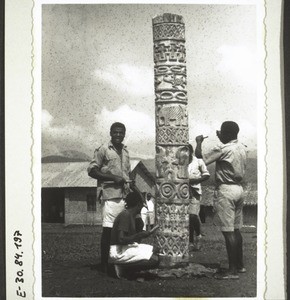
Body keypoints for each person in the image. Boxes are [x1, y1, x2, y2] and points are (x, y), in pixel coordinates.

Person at [195, 121, 247, 280]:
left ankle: (232, 271)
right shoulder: (242, 148)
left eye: (221, 132)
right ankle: (239, 265)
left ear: (227, 134)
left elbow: (200, 158)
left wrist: (199, 143)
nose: (219, 134)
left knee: (228, 231)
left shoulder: (223, 149)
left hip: (226, 190)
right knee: (236, 229)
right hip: (239, 189)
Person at [87, 122, 140, 274]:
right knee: (109, 231)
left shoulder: (126, 151)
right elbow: (92, 171)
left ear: (124, 134)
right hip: (110, 196)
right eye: (115, 132)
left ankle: (122, 263)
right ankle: (104, 265)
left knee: (127, 230)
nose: (118, 135)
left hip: (125, 197)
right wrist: (112, 177)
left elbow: (127, 173)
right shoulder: (103, 149)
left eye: (121, 132)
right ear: (110, 133)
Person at [109, 191, 159, 279]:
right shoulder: (125, 215)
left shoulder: (133, 216)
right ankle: (123, 268)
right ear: (138, 205)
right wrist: (139, 235)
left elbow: (134, 240)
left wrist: (141, 231)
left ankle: (127, 267)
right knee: (154, 260)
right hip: (118, 250)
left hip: (125, 247)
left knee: (156, 251)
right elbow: (121, 239)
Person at [187, 144, 210, 251]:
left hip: (195, 192)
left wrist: (196, 180)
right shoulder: (181, 162)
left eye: (187, 152)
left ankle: (199, 235)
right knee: (187, 219)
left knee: (192, 216)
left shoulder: (198, 161)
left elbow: (206, 175)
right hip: (183, 192)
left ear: (191, 152)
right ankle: (190, 242)